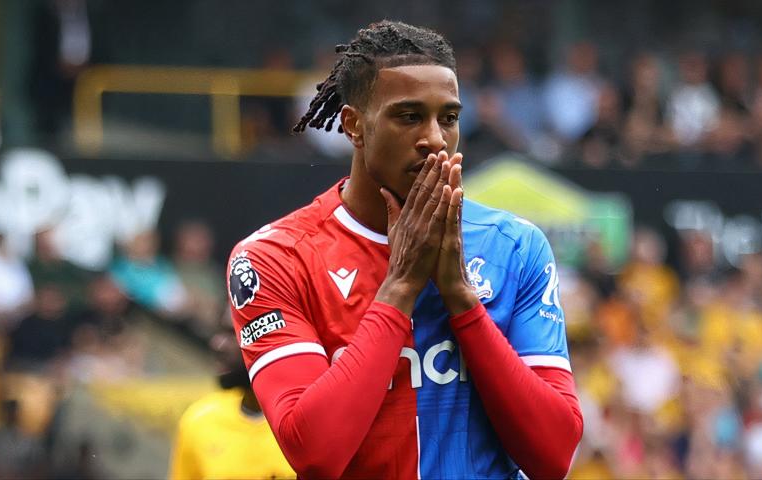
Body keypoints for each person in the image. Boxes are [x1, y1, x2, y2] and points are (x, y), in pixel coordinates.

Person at [227, 20, 582, 479]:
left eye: (449, 118)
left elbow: (553, 456)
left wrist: (461, 298)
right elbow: (315, 454)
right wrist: (401, 284)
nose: (434, 138)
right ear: (354, 125)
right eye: (409, 116)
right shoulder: (274, 258)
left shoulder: (516, 247)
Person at [169, 331, 294, 480]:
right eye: (220, 331)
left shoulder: (309, 422)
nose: (218, 345)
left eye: (233, 333)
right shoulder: (200, 420)